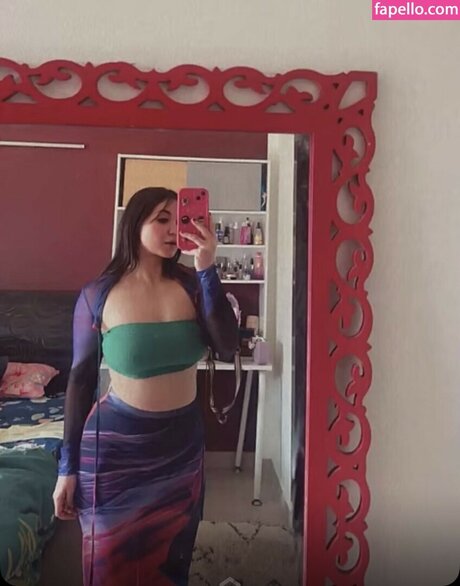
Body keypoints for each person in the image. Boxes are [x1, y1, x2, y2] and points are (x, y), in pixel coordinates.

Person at [52, 187, 239, 586]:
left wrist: (207, 267)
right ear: (134, 225)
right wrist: (67, 468)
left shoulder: (193, 285)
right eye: (162, 219)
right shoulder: (97, 295)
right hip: (115, 452)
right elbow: (81, 380)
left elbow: (227, 346)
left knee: (170, 564)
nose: (175, 229)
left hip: (181, 448)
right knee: (111, 566)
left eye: (181, 218)